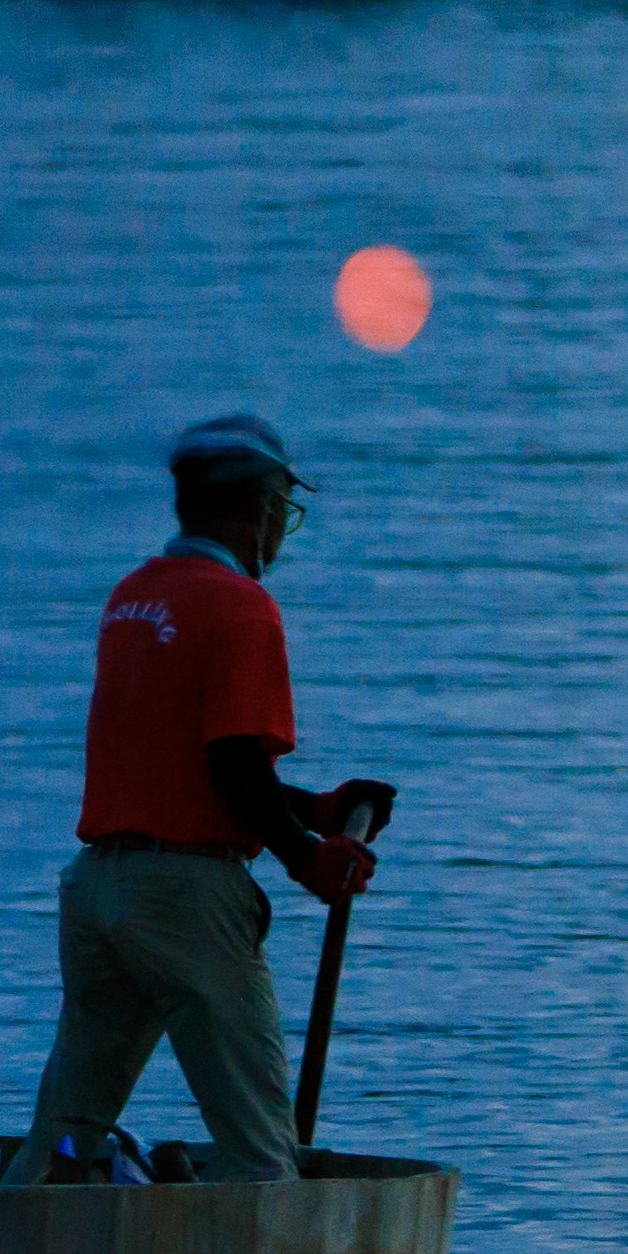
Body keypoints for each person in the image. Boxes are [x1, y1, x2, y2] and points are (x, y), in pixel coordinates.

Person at [31, 412, 396, 1181]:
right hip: (186, 903)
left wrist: (318, 810)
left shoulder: (133, 600)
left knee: (67, 1128)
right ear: (260, 509)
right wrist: (307, 859)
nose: (281, 533)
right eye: (284, 514)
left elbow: (189, 767)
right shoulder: (239, 607)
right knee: (262, 1145)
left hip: (101, 888)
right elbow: (233, 764)